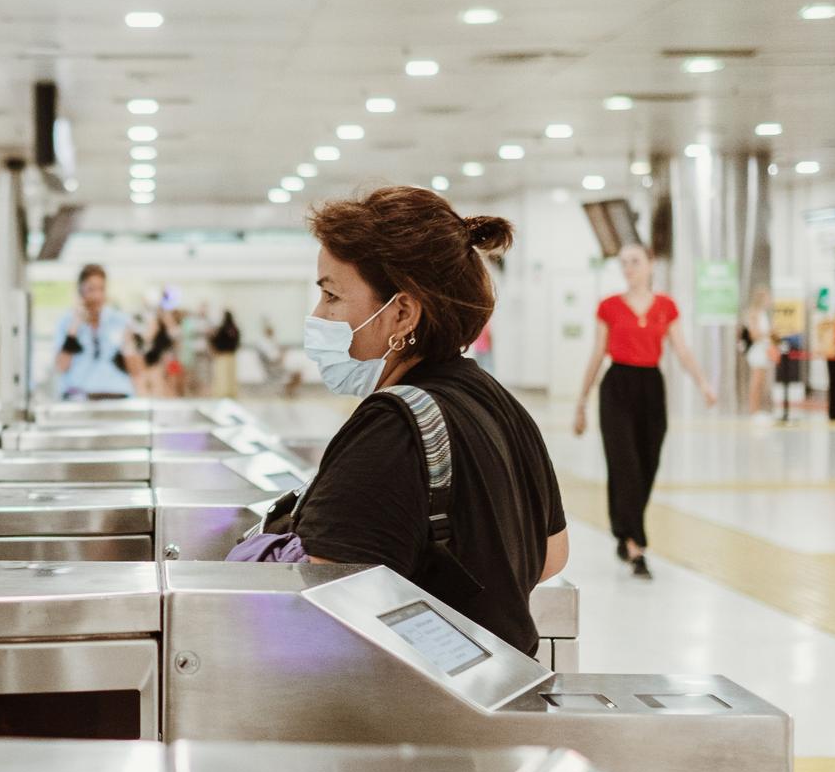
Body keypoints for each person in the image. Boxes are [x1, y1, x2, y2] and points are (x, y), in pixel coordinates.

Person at [286, 186, 568, 656]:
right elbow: (552, 555)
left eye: (332, 296)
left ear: (402, 313)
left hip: (416, 710)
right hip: (500, 681)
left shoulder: (391, 427)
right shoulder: (497, 399)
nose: (318, 315)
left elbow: (327, 600)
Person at [571, 244, 717, 580]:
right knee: (625, 465)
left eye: (635, 262)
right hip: (617, 386)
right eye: (623, 263)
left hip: (651, 386)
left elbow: (682, 350)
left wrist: (703, 384)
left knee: (648, 464)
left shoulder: (666, 306)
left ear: (651, 264)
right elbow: (597, 353)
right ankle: (636, 544)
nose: (629, 268)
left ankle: (625, 530)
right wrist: (581, 402)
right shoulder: (608, 306)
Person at [53, 263, 142, 400]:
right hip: (79, 396)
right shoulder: (67, 322)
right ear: (80, 291)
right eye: (91, 289)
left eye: (101, 289)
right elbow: (61, 366)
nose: (97, 296)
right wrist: (74, 328)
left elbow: (135, 370)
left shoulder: (120, 321)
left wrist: (128, 345)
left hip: (116, 394)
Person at [742, 286, 776, 416]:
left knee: (760, 381)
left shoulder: (763, 314)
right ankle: (753, 410)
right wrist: (768, 333)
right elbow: (754, 334)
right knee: (756, 381)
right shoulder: (754, 314)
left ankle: (757, 409)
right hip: (757, 351)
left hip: (763, 350)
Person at [208, 310, 242, 398]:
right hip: (230, 354)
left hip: (222, 354)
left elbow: (216, 339)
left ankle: (223, 392)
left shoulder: (222, 329)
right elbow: (237, 341)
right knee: (230, 374)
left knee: (223, 375)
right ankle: (230, 392)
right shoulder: (234, 328)